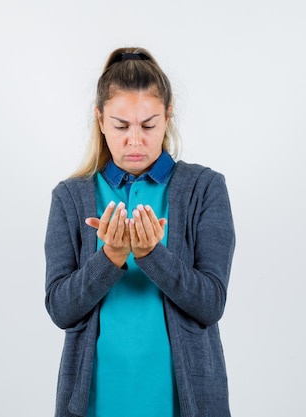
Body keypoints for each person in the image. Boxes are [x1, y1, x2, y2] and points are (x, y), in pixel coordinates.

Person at [44, 47, 236, 417]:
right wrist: (110, 259)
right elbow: (60, 309)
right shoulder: (70, 197)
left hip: (183, 403)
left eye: (148, 125)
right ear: (100, 120)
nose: (135, 140)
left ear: (167, 116)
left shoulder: (205, 188)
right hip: (96, 402)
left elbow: (211, 304)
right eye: (121, 125)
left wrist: (152, 255)